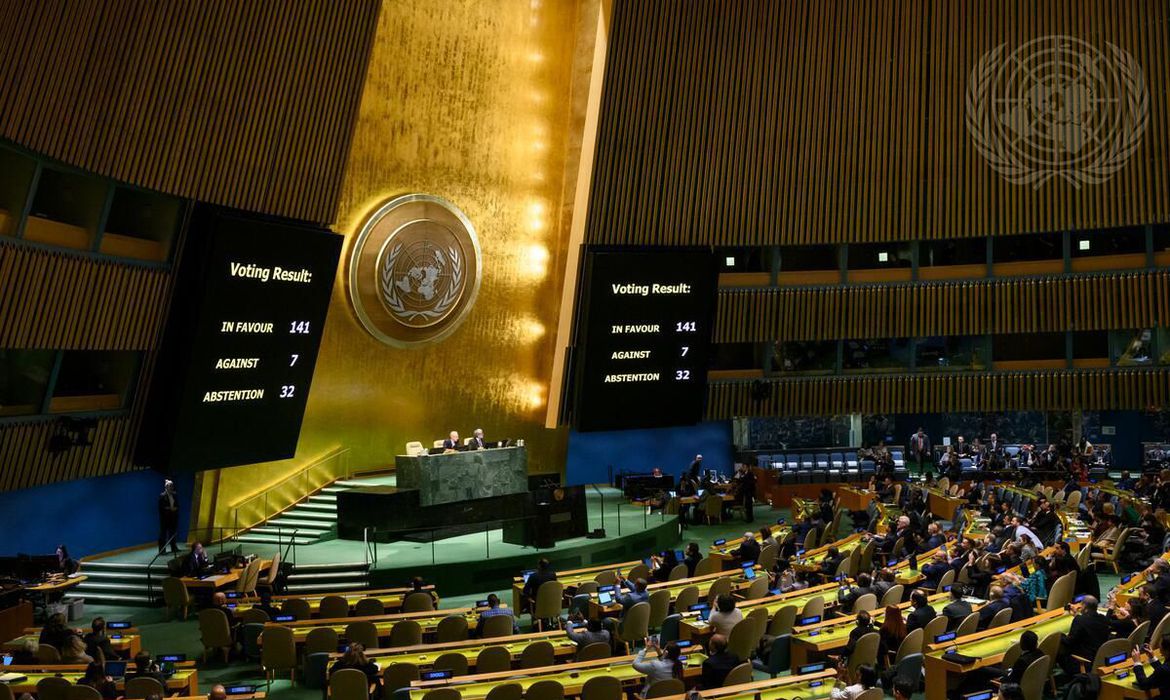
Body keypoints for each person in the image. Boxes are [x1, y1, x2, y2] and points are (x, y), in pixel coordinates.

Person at [1059, 596, 1110, 675]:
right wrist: (1077, 615)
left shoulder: (1080, 620)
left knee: (1060, 649)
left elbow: (1069, 641)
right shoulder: (1103, 618)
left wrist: (1060, 635)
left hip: (1083, 661)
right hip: (1099, 657)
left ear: (1084, 606)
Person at [158, 479, 180, 555]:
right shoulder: (162, 496)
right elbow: (161, 507)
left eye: (172, 486)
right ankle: (162, 550)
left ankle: (174, 548)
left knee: (172, 533)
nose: (171, 487)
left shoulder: (174, 495)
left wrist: (175, 508)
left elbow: (177, 505)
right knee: (163, 535)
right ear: (166, 487)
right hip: (165, 519)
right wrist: (169, 509)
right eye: (170, 486)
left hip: (173, 518)